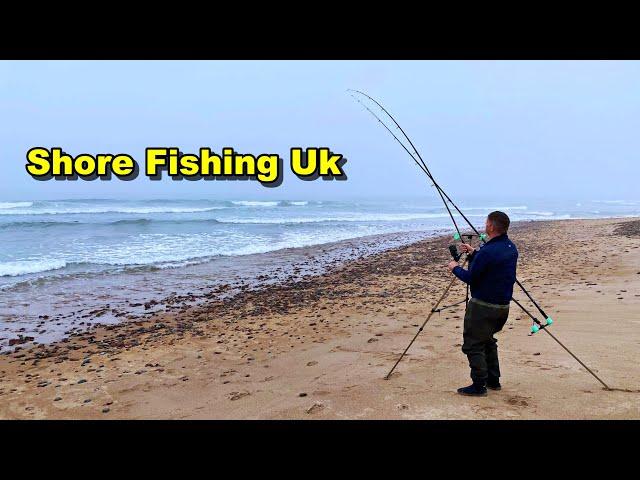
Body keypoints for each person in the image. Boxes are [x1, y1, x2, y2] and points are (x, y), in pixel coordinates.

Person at [446, 211, 518, 396]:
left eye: (486, 223)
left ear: (492, 227)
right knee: (487, 341)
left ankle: (479, 386)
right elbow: (492, 264)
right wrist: (474, 253)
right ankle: (493, 380)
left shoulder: (489, 251)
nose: (484, 225)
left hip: (484, 307)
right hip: (503, 307)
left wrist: (454, 268)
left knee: (473, 345)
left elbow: (471, 277)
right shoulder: (510, 248)